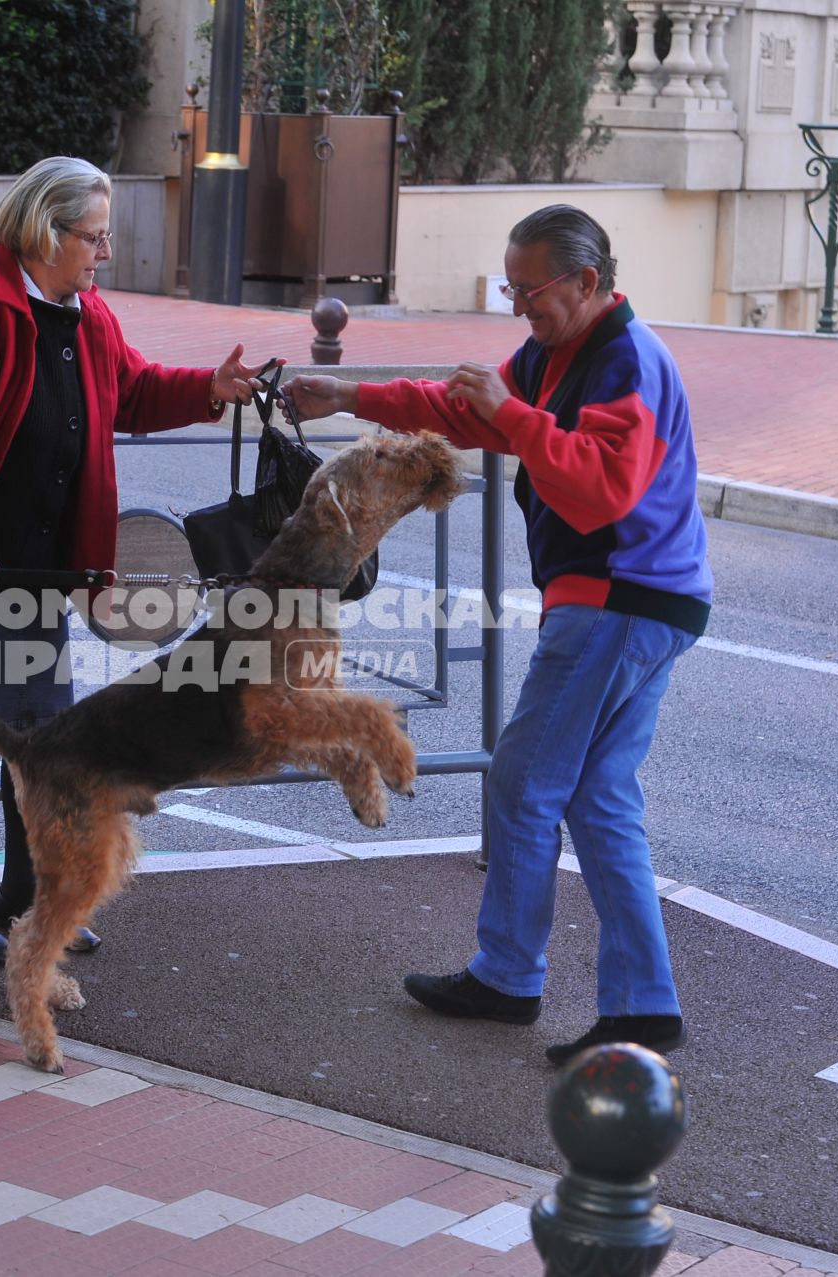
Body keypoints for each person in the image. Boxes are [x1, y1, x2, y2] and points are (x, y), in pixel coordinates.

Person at [287, 204, 711, 1064]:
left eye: (532, 291)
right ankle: (643, 1003)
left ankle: (510, 976)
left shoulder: (624, 359)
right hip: (642, 599)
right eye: (511, 289)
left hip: (617, 598)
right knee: (598, 798)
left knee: (523, 780)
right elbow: (466, 413)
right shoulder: (565, 352)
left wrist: (512, 418)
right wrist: (349, 393)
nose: (520, 306)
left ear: (587, 282)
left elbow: (600, 489)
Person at [0, 155, 269, 964]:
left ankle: (22, 895)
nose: (104, 252)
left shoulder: (83, 309)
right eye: (94, 237)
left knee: (38, 736)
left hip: (33, 566)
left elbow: (134, 391)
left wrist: (210, 389)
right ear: (46, 233)